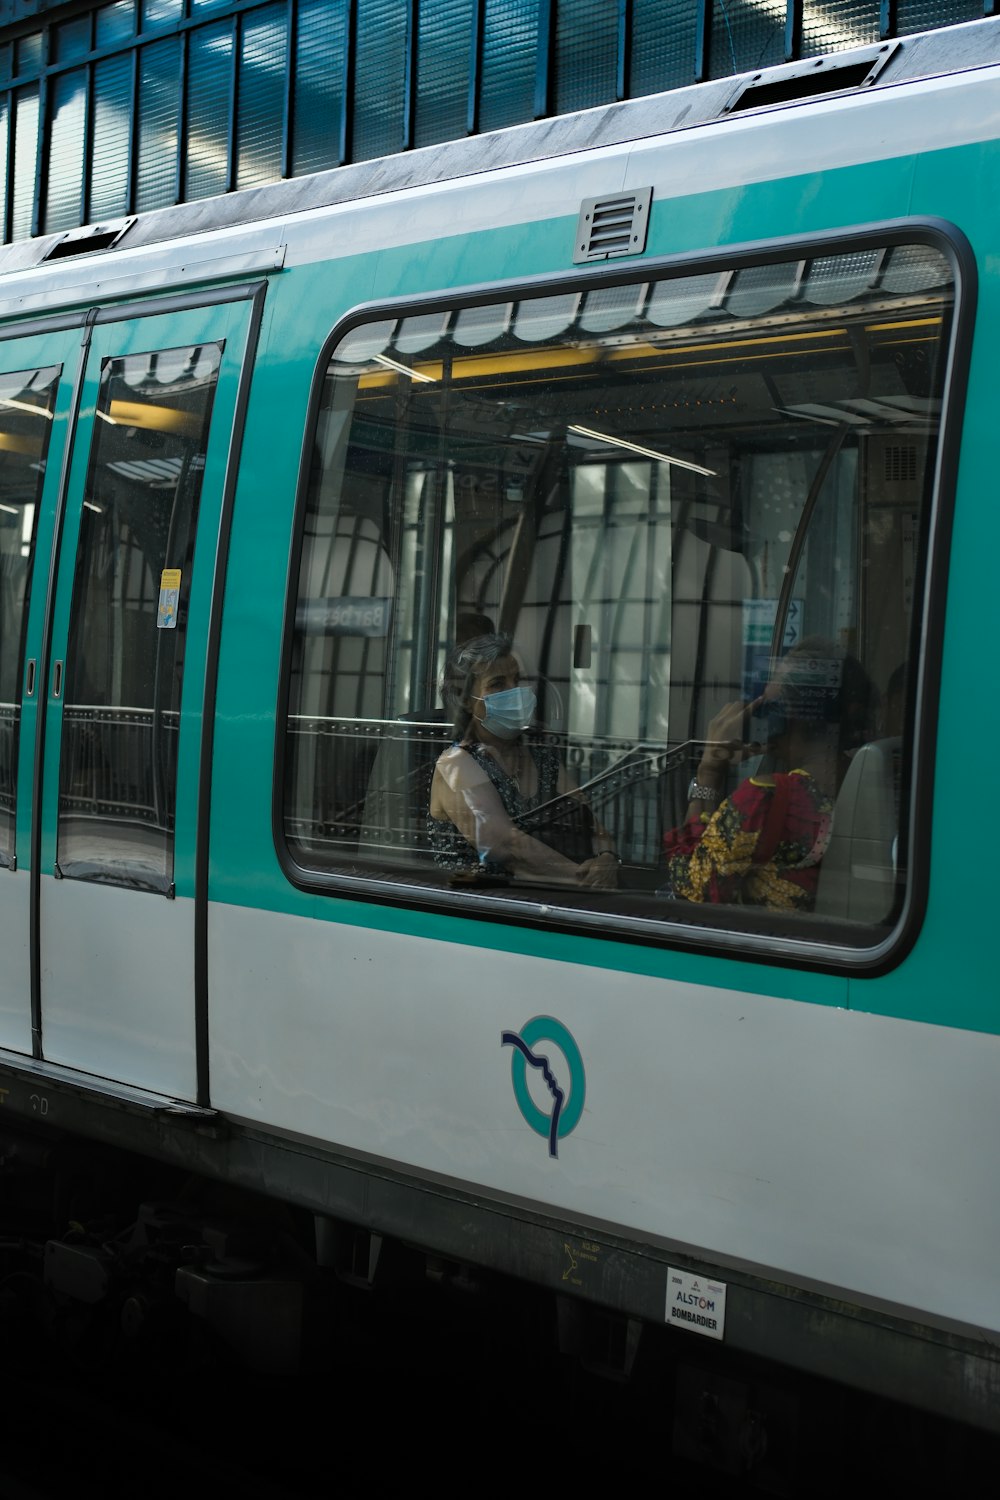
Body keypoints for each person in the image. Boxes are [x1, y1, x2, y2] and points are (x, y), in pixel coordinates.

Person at [663, 639, 875, 911]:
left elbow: (691, 887)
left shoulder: (767, 797)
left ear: (786, 716)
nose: (759, 712)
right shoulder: (859, 773)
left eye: (767, 704)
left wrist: (709, 771)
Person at [427, 632, 619, 886]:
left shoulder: (541, 756)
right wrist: (585, 879)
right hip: (481, 907)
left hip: (550, 896)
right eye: (497, 684)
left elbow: (588, 820)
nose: (514, 691)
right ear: (466, 702)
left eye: (517, 679)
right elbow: (505, 845)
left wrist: (607, 858)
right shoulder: (455, 764)